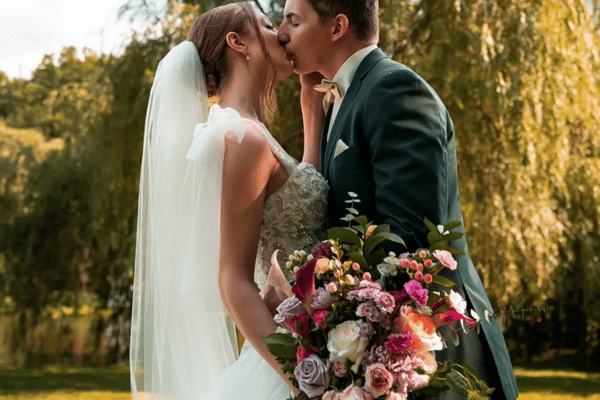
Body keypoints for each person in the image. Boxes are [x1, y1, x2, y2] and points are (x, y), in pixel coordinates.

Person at [277, 0, 519, 399]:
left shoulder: (394, 89)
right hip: (376, 348)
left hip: (436, 353)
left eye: (293, 20)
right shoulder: (338, 98)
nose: (281, 32)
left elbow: (410, 237)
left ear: (337, 27)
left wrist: (325, 294)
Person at [129, 3, 328, 399]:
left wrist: (310, 108)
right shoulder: (243, 139)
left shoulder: (247, 132)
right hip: (292, 357)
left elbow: (301, 198)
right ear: (238, 43)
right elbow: (233, 281)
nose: (283, 35)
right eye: (268, 26)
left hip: (309, 333)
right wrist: (306, 382)